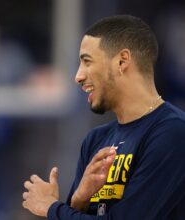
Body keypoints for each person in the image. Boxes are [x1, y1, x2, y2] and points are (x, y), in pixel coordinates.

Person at [22, 15, 185, 219]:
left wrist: (52, 208)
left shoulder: (173, 133)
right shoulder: (95, 140)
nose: (78, 76)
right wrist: (78, 201)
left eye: (87, 61)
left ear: (122, 61)